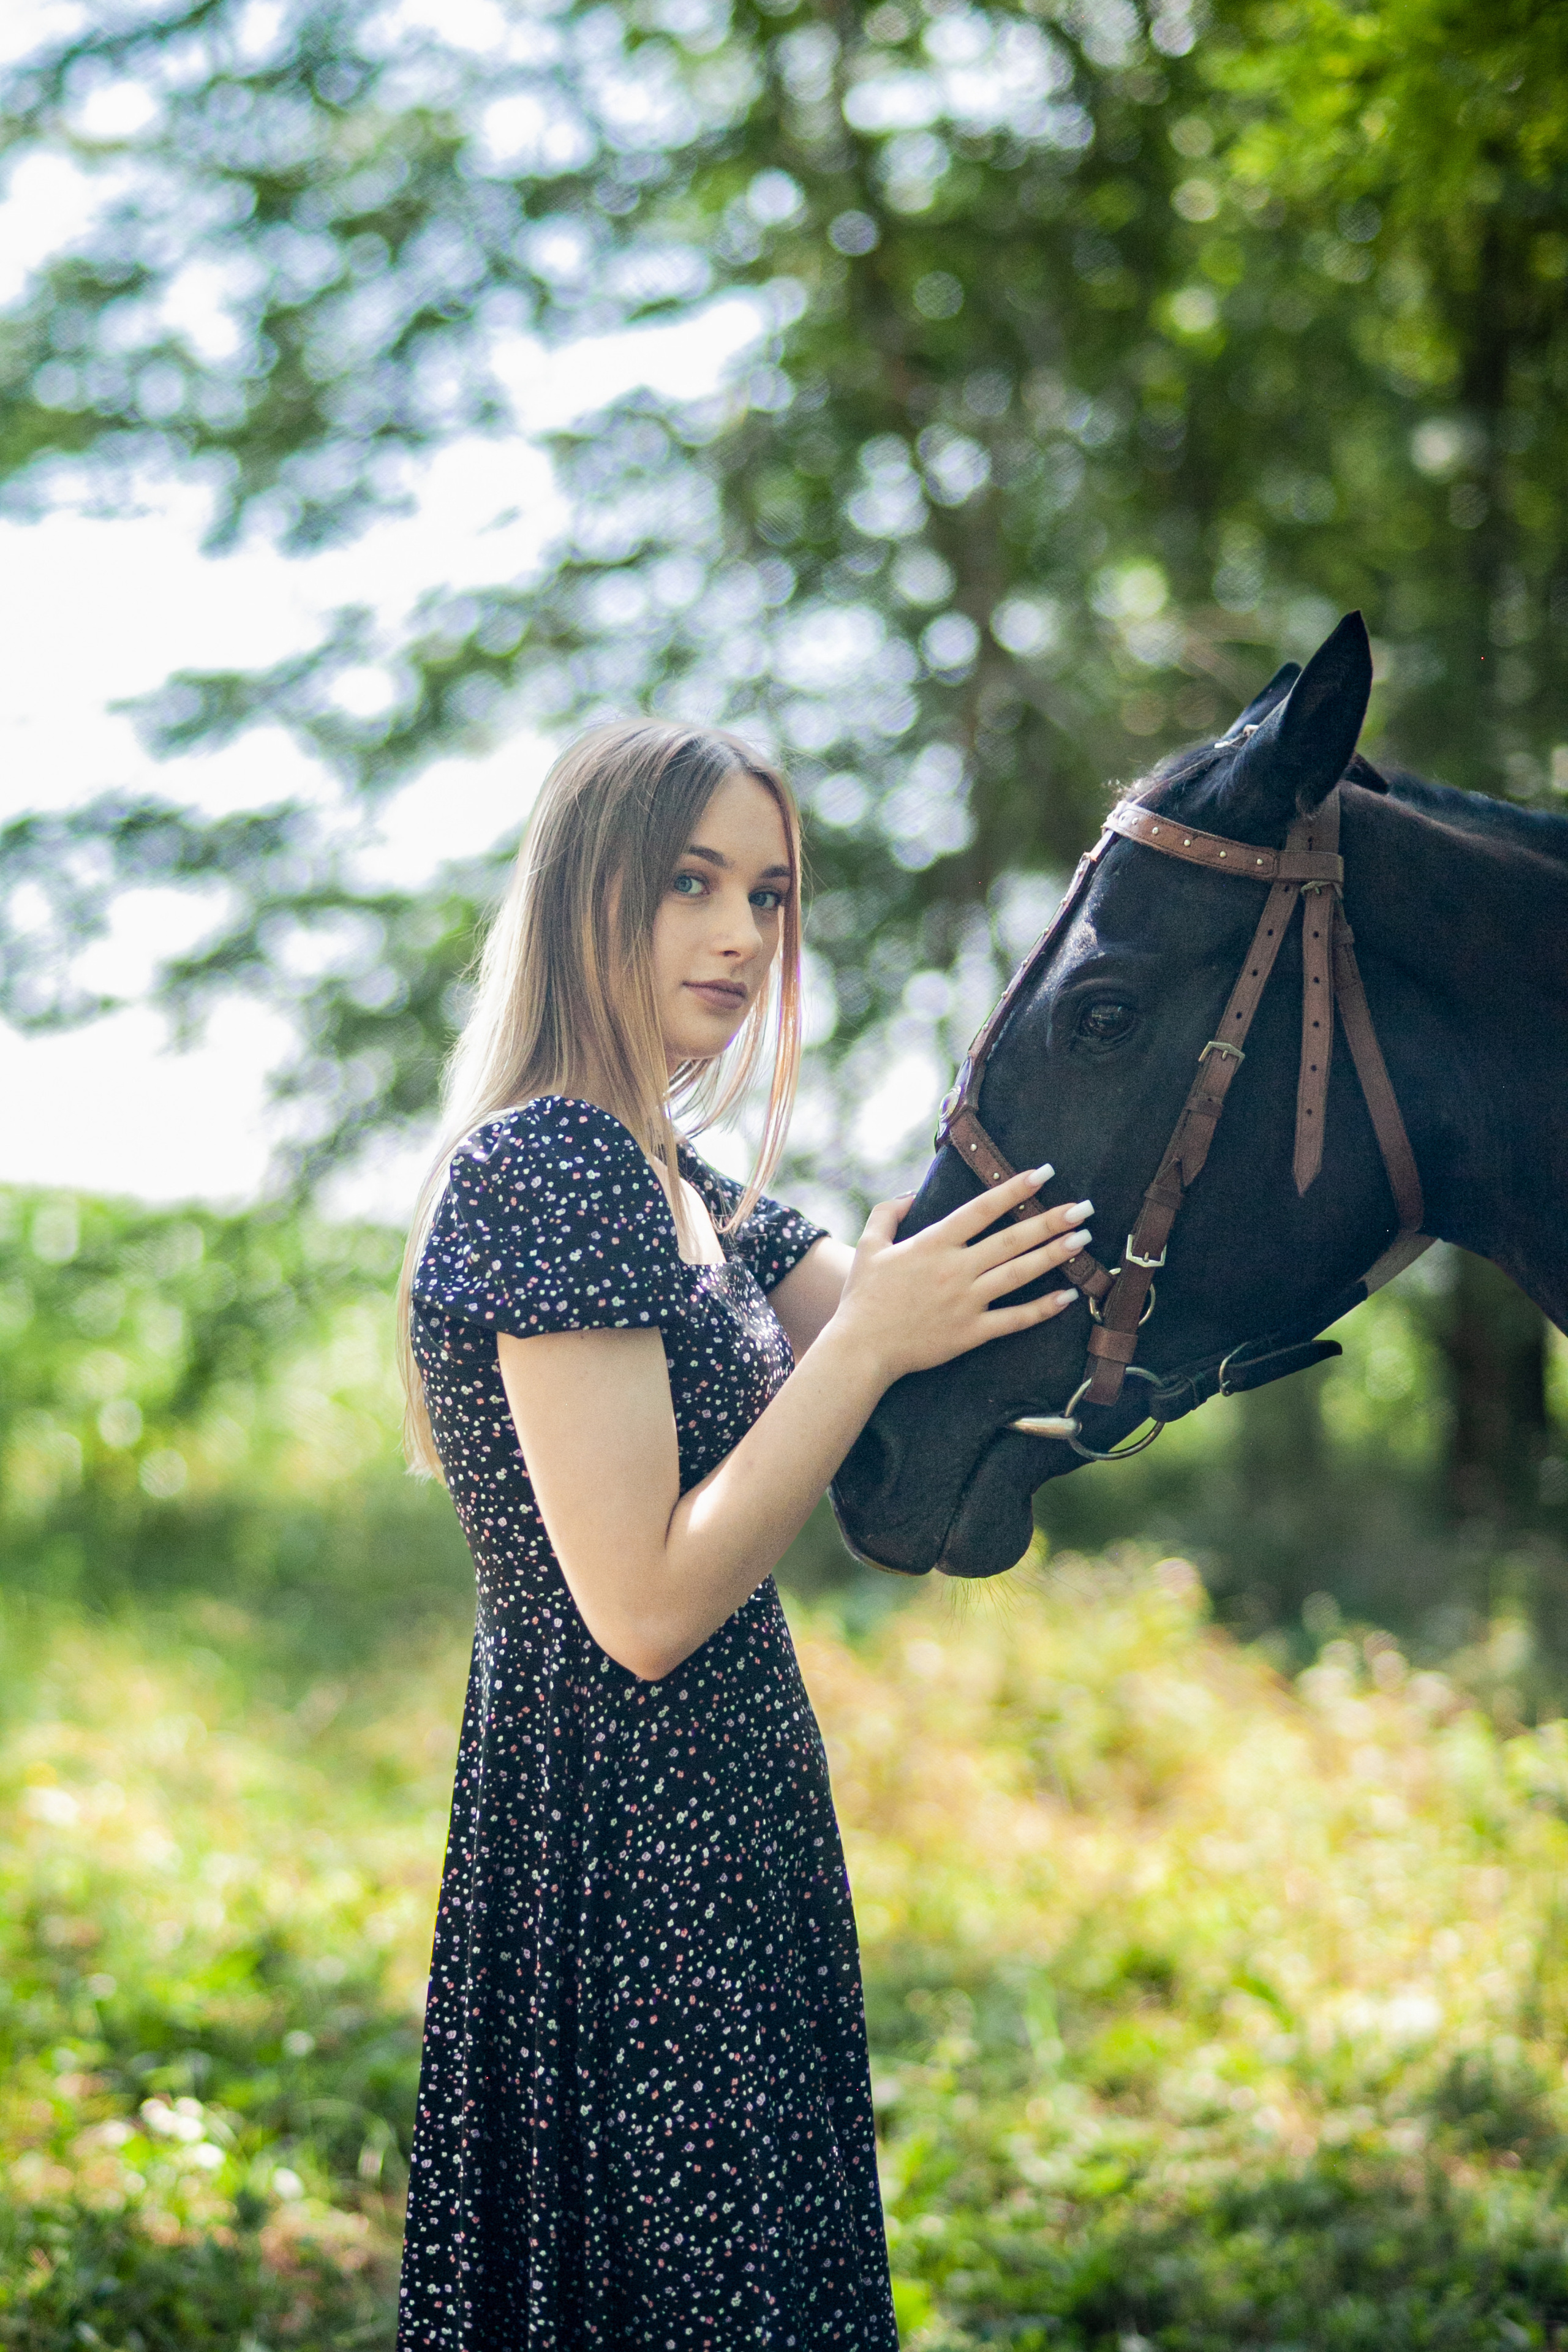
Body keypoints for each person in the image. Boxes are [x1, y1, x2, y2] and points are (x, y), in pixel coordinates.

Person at [393, 720, 1093, 2348]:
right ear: (589, 893)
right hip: (627, 1858)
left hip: (735, 1829)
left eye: (770, 897)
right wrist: (863, 1345)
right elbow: (639, 1606)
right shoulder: (549, 1170)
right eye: (691, 883)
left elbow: (951, 1348)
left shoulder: (689, 1186)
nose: (740, 935)